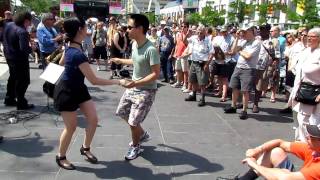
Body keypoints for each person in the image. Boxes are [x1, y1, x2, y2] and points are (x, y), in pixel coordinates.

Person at [53, 17, 126, 170]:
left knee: (93, 120)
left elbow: (61, 63)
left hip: (79, 88)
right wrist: (118, 82)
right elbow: (94, 80)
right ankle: (61, 157)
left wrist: (68, 62)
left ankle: (85, 148)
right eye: (86, 26)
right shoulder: (76, 53)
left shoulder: (73, 47)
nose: (89, 28)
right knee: (71, 127)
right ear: (80, 30)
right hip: (66, 91)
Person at [110, 14, 160, 160]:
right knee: (121, 112)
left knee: (133, 122)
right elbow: (136, 61)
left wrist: (135, 83)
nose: (126, 30)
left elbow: (156, 74)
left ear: (140, 29)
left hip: (146, 90)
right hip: (133, 87)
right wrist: (121, 60)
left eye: (129, 27)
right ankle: (142, 134)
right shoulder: (134, 44)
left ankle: (136, 147)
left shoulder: (151, 49)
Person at [233, 123, 320, 180]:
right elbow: (279, 142)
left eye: (311, 138)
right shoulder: (313, 150)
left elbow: (285, 178)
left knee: (284, 175)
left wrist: (254, 165)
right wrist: (257, 150)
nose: (307, 138)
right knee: (275, 152)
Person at [288, 27, 320, 142]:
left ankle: (310, 145)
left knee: (312, 121)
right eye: (308, 36)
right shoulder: (306, 51)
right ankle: (302, 143)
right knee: (300, 118)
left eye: (312, 36)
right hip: (303, 89)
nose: (309, 38)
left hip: (315, 92)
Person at [224, 26, 261, 120]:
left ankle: (244, 110)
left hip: (248, 69)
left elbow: (248, 56)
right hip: (238, 67)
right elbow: (233, 51)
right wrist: (236, 38)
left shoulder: (256, 43)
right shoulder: (243, 41)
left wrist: (240, 50)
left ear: (251, 32)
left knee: (245, 91)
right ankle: (233, 106)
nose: (243, 34)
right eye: (242, 32)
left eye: (245, 32)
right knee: (234, 88)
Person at [2, 11, 35, 110]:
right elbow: (24, 49)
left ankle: (9, 98)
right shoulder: (22, 31)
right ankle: (21, 102)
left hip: (9, 55)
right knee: (23, 81)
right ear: (25, 20)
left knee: (13, 77)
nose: (30, 24)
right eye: (30, 21)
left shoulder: (8, 25)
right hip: (19, 59)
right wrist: (32, 48)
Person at [184, 26, 211, 107]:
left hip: (202, 63)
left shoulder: (208, 41)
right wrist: (187, 34)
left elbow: (212, 53)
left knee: (202, 82)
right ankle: (193, 95)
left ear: (204, 33)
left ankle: (202, 99)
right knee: (193, 80)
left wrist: (207, 64)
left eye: (201, 32)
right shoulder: (193, 38)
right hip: (194, 62)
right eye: (198, 32)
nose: (199, 34)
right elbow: (185, 41)